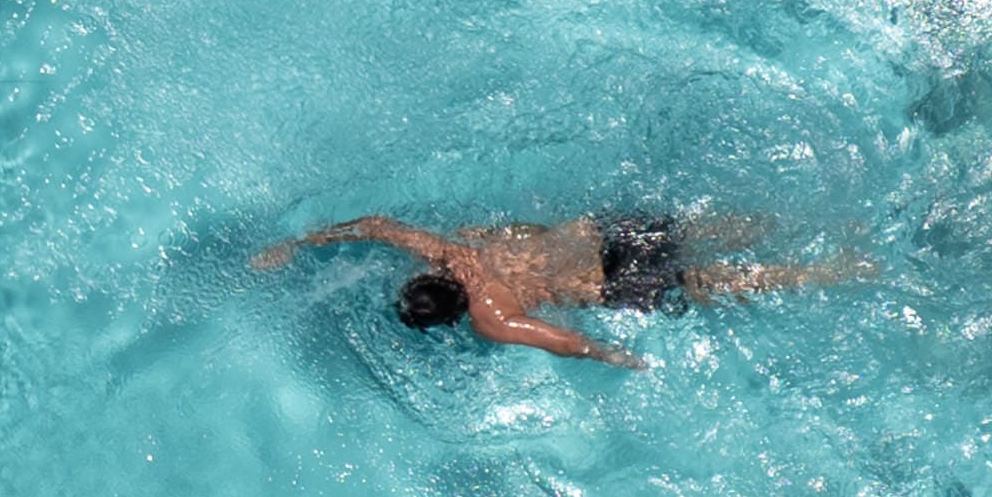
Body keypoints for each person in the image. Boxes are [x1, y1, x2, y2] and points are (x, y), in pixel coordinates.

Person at [253, 209, 869, 366]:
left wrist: (614, 355)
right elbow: (377, 225)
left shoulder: (492, 318)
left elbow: (566, 342)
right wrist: (301, 242)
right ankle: (824, 222)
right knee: (712, 229)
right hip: (606, 233)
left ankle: (835, 271)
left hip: (616, 282)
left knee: (718, 283)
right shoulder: (455, 252)